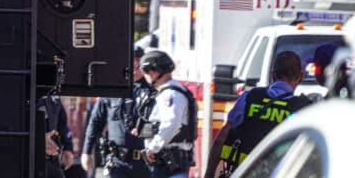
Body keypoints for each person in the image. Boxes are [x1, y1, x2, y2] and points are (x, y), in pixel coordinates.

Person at [203, 50, 311, 178]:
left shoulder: (248, 98)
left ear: (273, 75)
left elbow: (221, 139)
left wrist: (209, 174)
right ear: (301, 77)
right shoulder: (305, 109)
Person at [82, 47, 152, 178]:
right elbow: (95, 122)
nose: (134, 67)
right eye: (131, 62)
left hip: (144, 164)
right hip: (116, 162)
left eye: (137, 63)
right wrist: (87, 151)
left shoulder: (152, 91)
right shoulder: (112, 89)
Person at [135, 50, 196, 178]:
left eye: (146, 73)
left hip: (170, 162)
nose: (145, 76)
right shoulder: (168, 92)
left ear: (154, 72)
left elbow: (171, 124)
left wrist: (153, 148)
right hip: (167, 161)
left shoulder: (170, 95)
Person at [39, 93, 75, 178]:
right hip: (30, 158)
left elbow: (62, 123)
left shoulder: (53, 92)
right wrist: (38, 138)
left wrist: (68, 147)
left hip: (51, 158)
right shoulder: (28, 89)